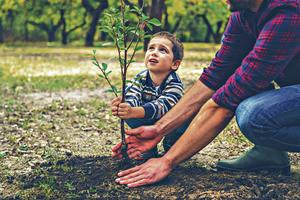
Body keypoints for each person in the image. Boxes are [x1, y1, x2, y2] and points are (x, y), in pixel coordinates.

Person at [111, 0, 300, 188]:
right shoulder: (243, 13)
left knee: (254, 116)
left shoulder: (288, 13)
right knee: (247, 87)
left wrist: (167, 161)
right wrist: (159, 129)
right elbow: (216, 75)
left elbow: (226, 101)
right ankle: (270, 153)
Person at [111, 31, 189, 159]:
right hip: (148, 118)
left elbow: (163, 106)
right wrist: (125, 107)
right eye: (151, 48)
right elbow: (132, 94)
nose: (154, 52)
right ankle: (148, 147)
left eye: (162, 50)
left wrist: (135, 111)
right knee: (129, 112)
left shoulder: (174, 83)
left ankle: (173, 145)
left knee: (185, 119)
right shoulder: (141, 77)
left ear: (175, 64)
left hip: (171, 122)